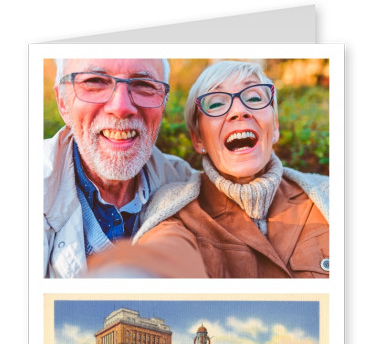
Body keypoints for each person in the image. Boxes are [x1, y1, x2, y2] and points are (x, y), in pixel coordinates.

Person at [88, 60, 329, 278]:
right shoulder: (176, 211)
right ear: (198, 139)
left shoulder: (328, 195)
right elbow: (165, 253)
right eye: (216, 103)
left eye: (254, 98)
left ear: (274, 126)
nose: (239, 111)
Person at [44, 58, 199, 278]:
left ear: (163, 103)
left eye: (144, 85)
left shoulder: (187, 186)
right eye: (95, 81)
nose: (121, 108)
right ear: (62, 102)